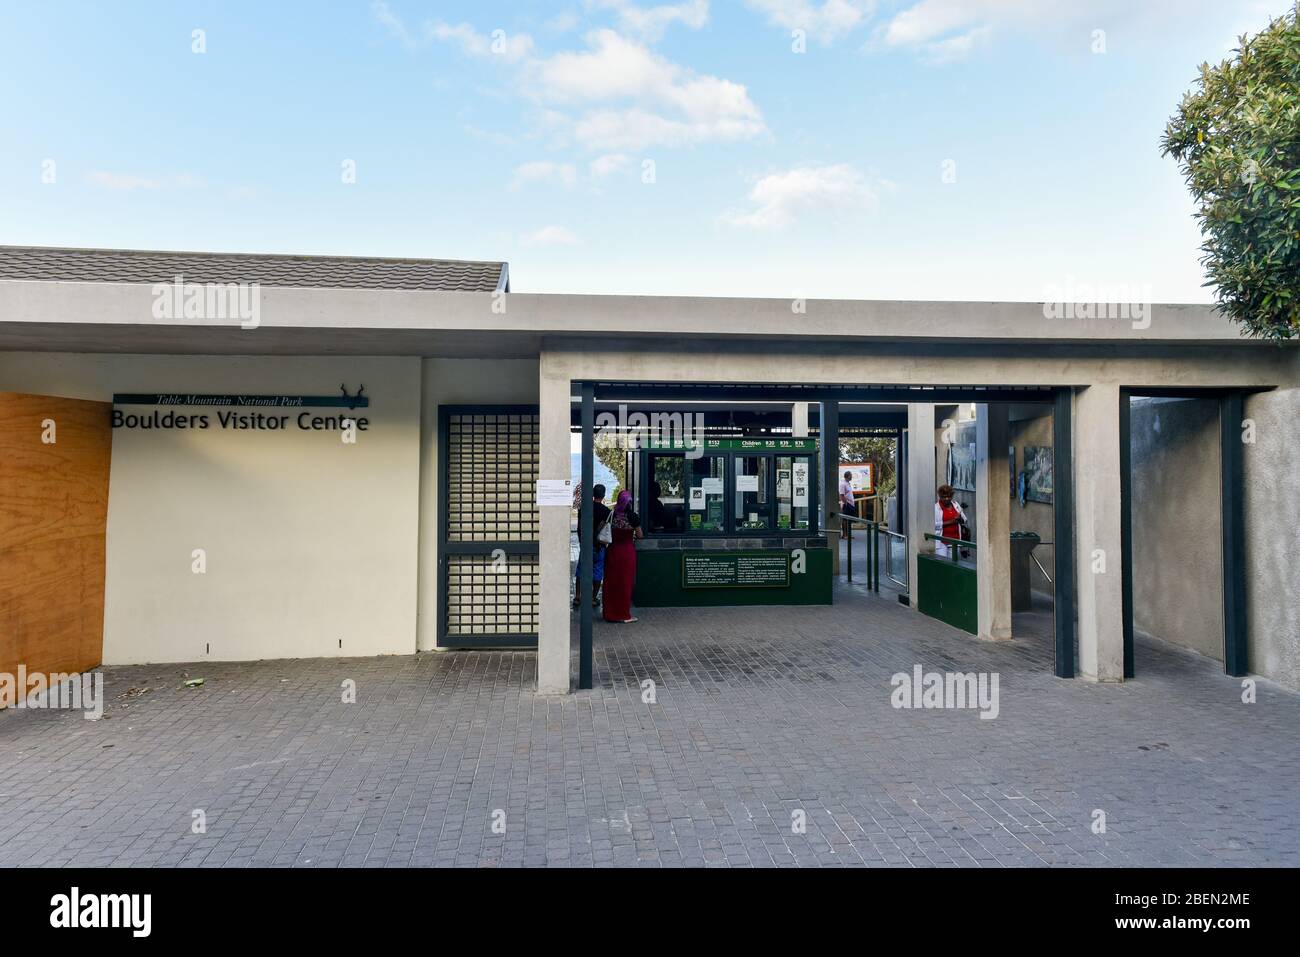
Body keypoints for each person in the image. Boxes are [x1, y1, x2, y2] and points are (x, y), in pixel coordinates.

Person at [602, 489, 643, 623]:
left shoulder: (612, 514)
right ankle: (623, 614)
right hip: (627, 553)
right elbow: (640, 535)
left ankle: (609, 613)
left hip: (613, 552)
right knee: (625, 583)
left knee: (611, 582)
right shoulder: (633, 517)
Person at [573, 484, 611, 609]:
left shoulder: (583, 508)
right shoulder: (607, 512)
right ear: (604, 495)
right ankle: (593, 597)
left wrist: (581, 540)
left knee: (580, 570)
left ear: (593, 494)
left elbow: (579, 526)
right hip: (599, 545)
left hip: (586, 543)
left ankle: (577, 596)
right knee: (598, 571)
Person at [934, 484, 969, 559]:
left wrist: (960, 519)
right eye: (944, 497)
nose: (946, 499)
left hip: (955, 540)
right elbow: (933, 525)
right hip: (942, 541)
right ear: (940, 497)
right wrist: (950, 522)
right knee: (942, 563)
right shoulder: (936, 508)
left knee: (953, 563)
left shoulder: (956, 505)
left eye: (949, 497)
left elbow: (964, 520)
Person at [839, 470, 857, 539]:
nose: (852, 476)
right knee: (845, 519)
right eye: (851, 475)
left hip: (851, 504)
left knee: (849, 519)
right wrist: (845, 503)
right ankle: (844, 535)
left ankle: (849, 534)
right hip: (846, 504)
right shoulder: (842, 484)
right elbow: (841, 495)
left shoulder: (848, 483)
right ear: (848, 476)